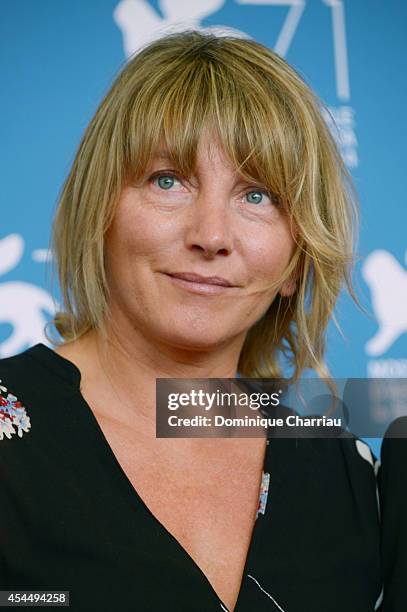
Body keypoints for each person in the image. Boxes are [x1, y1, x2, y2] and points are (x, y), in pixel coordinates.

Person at [0, 30, 384, 611]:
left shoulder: (345, 475)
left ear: (297, 258)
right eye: (168, 181)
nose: (210, 236)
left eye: (258, 196)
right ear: (99, 211)